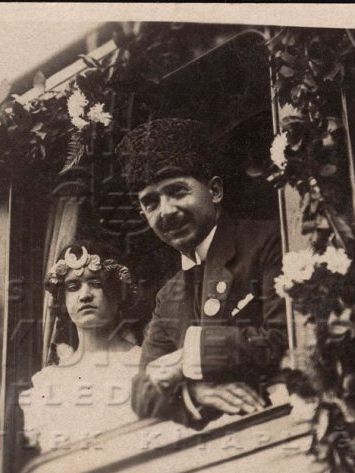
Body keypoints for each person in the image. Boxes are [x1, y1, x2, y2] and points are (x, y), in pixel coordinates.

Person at [116, 118, 287, 430]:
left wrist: (188, 359)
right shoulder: (168, 296)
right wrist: (196, 393)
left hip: (285, 421)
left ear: (215, 191)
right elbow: (142, 393)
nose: (166, 211)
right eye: (151, 203)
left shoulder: (267, 242)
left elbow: (284, 337)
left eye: (177, 192)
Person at [18, 242, 142, 453]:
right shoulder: (48, 382)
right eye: (73, 287)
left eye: (96, 284)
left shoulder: (142, 364)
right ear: (64, 300)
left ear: (117, 295)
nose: (85, 295)